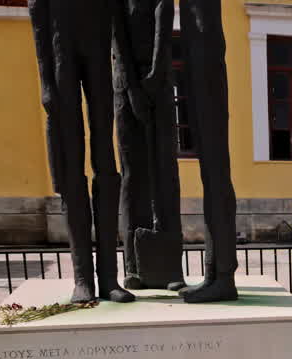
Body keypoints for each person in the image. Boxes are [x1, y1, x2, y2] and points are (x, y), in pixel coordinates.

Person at [28, 0, 133, 303]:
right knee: (72, 173)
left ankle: (110, 278)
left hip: (99, 63)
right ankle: (83, 279)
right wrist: (46, 81)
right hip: (63, 62)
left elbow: (118, 25)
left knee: (107, 168)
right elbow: (38, 22)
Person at [114, 0, 187, 291]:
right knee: (133, 178)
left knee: (166, 172)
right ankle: (133, 267)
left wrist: (157, 76)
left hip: (161, 85)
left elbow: (164, 26)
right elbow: (118, 41)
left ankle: (171, 269)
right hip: (125, 85)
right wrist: (133, 89)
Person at [178, 0, 239, 303]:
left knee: (217, 184)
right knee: (212, 184)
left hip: (208, 80)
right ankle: (214, 274)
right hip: (200, 75)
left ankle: (224, 276)